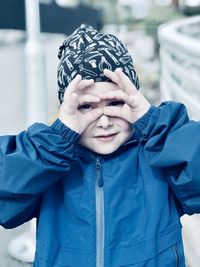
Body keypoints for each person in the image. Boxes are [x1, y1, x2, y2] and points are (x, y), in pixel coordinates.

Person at [1, 24, 200, 267]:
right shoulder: (50, 161)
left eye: (115, 103)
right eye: (87, 107)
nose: (104, 122)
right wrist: (58, 138)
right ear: (67, 109)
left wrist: (152, 122)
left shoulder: (158, 153)